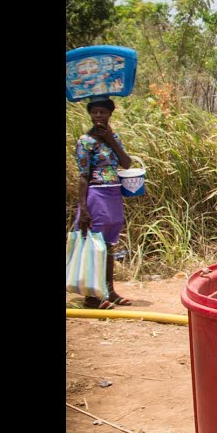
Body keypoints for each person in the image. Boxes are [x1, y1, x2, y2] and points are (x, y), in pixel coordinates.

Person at [73, 96, 134, 309]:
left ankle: (110, 291)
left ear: (110, 114)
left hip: (114, 195)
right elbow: (83, 176)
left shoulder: (114, 137)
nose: (98, 115)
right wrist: (83, 208)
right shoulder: (85, 141)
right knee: (94, 246)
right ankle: (92, 296)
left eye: (103, 112)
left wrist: (111, 141)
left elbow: (126, 163)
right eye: (95, 112)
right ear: (90, 114)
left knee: (109, 245)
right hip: (96, 196)